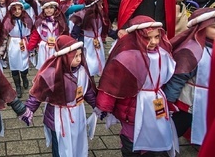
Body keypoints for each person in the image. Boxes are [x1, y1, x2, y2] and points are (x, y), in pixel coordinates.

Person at [96, 15, 178, 157]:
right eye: (148, 38)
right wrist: (104, 106)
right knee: (132, 135)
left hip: (156, 100)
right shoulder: (127, 57)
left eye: (157, 37)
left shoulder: (163, 54)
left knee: (155, 132)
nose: (153, 42)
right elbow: (112, 83)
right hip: (133, 104)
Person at [25, 35, 99, 157]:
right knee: (60, 146)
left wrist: (98, 106)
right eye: (75, 56)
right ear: (65, 56)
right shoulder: (52, 73)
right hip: (58, 116)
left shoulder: (82, 71)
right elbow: (38, 93)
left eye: (80, 55)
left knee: (77, 141)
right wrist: (29, 109)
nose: (79, 59)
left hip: (78, 113)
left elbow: (88, 92)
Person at [163, 8, 215, 145]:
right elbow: (178, 78)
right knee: (178, 125)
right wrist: (169, 101)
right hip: (190, 100)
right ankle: (162, 146)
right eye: (214, 27)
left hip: (209, 99)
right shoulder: (191, 50)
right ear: (201, 27)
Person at [0, 0, 33, 98]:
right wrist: (2, 50)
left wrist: (32, 47)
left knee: (24, 64)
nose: (17, 11)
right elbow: (3, 35)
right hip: (13, 44)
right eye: (15, 9)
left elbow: (31, 33)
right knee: (14, 65)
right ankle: (17, 86)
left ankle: (24, 77)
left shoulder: (27, 19)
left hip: (24, 43)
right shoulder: (8, 21)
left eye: (19, 9)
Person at [27, 0, 69, 70]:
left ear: (55, 8)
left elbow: (64, 34)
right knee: (44, 67)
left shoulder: (59, 21)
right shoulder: (40, 21)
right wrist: (30, 47)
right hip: (44, 47)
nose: (48, 10)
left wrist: (66, 46)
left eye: (51, 8)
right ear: (43, 9)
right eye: (46, 8)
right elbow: (35, 35)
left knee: (56, 67)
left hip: (56, 47)